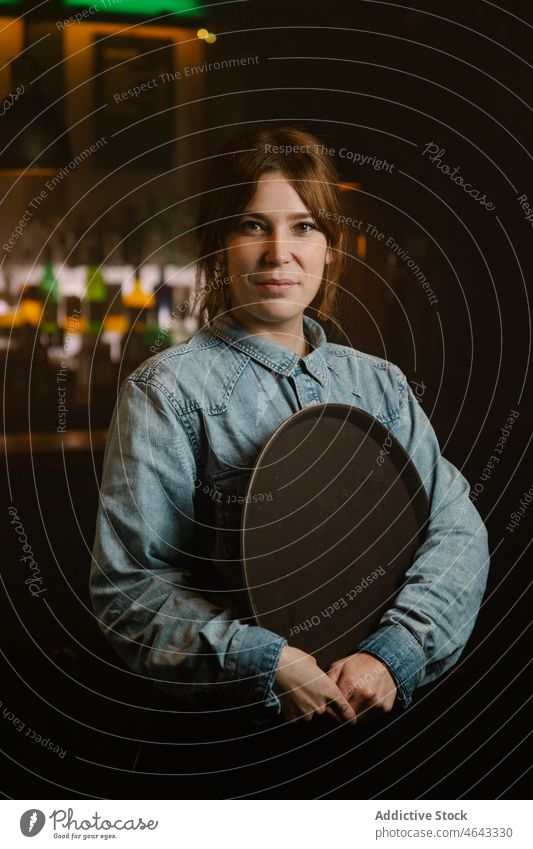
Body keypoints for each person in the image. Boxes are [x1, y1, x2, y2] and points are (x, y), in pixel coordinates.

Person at [90, 126, 490, 737]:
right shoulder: (167, 392)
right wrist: (266, 662)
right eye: (253, 225)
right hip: (230, 746)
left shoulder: (380, 385)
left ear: (329, 246)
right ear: (218, 243)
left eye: (304, 226)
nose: (280, 252)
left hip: (390, 738)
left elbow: (457, 529)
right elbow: (130, 591)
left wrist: (395, 653)